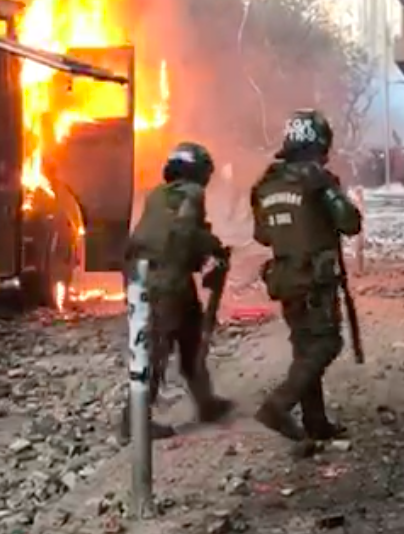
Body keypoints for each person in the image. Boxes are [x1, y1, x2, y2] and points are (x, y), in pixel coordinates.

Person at [250, 110, 363, 443]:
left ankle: (316, 422)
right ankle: (278, 405)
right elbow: (350, 222)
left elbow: (263, 235)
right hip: (316, 281)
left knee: (304, 349)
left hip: (285, 279)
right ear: (320, 143)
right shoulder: (318, 180)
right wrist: (326, 193)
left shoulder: (266, 183)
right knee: (327, 343)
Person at [120, 141, 235, 440]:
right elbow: (185, 233)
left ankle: (207, 403)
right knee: (157, 348)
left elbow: (169, 234)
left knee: (190, 337)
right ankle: (134, 422)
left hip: (151, 275)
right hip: (165, 281)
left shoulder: (158, 194)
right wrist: (212, 249)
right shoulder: (192, 194)